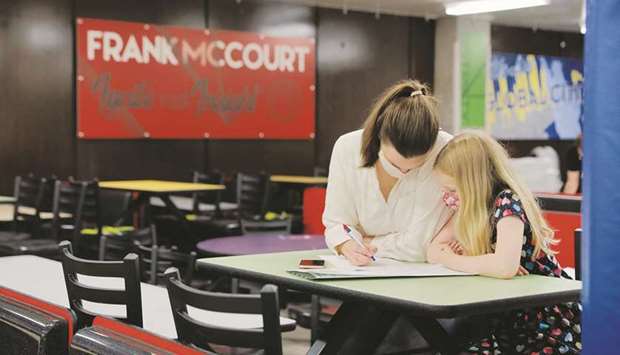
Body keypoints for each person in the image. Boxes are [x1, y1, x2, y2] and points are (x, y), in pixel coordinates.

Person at [429, 132, 582, 354]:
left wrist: (455, 259)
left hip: (546, 322)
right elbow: (434, 250)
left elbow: (504, 267)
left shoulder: (507, 202)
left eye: (452, 190)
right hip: (504, 318)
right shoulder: (470, 207)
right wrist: (482, 263)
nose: (448, 198)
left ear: (473, 182)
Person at [323, 79, 453, 265]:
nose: (403, 171)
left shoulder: (446, 151)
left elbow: (420, 247)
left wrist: (372, 242)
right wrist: (347, 245)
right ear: (378, 138)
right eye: (393, 164)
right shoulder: (348, 148)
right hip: (361, 272)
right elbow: (337, 223)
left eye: (415, 166)